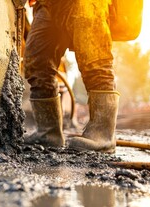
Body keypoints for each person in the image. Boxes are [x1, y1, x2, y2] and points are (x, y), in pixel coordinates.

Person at [24, 0, 119, 153]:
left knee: (95, 61)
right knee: (37, 66)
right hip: (47, 4)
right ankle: (48, 133)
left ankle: (102, 136)